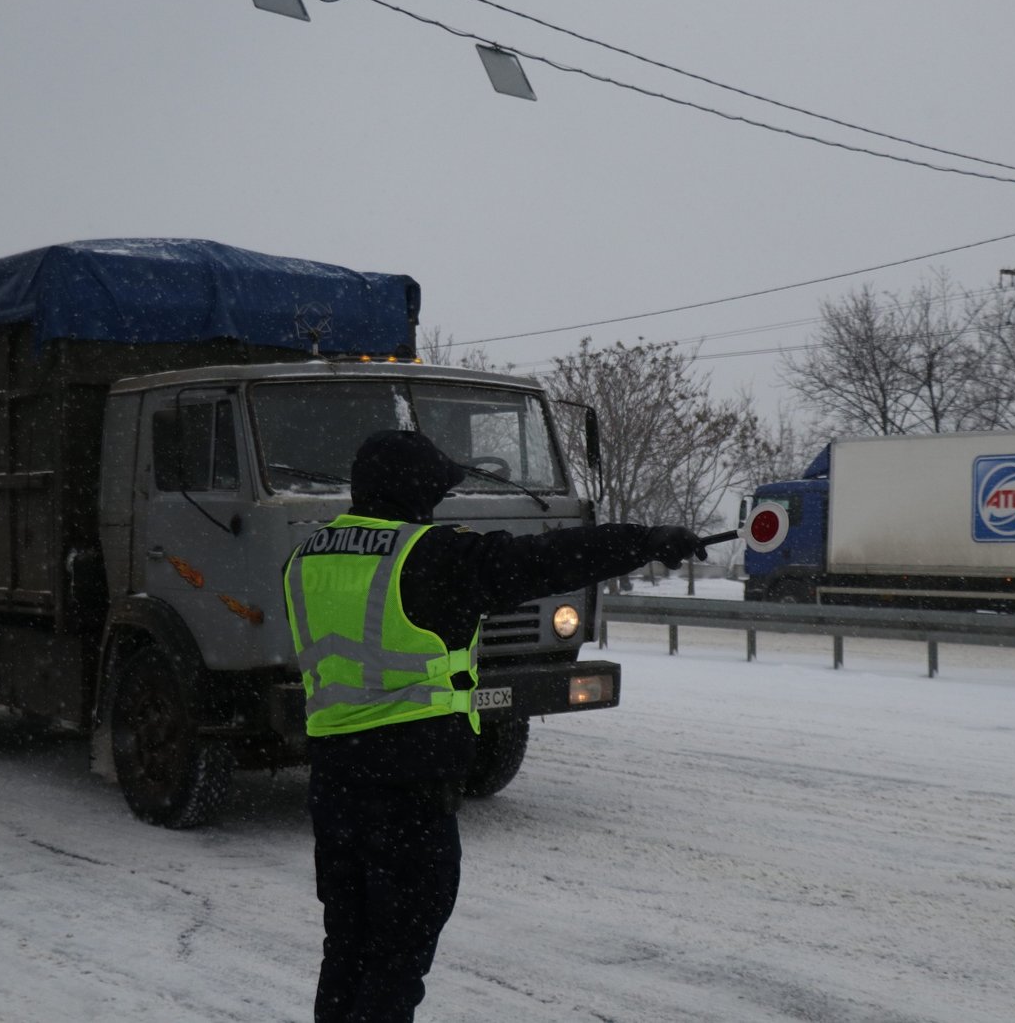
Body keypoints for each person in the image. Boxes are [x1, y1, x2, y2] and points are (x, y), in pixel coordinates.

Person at [282, 429, 707, 1023]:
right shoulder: (431, 556)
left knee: (348, 945)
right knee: (397, 958)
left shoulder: (307, 556)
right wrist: (645, 541)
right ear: (415, 491)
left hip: (335, 781)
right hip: (408, 786)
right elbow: (546, 560)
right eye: (436, 491)